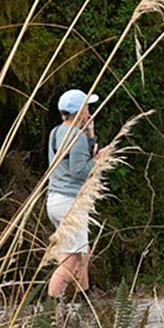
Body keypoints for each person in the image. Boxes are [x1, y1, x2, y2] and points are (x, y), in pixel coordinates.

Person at [46, 88, 100, 299]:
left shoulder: (56, 132)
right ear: (79, 111)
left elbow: (75, 156)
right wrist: (96, 162)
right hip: (70, 202)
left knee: (81, 250)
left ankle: (84, 296)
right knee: (72, 259)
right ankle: (51, 307)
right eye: (87, 107)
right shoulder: (76, 136)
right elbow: (79, 172)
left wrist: (90, 133)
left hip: (55, 200)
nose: (89, 111)